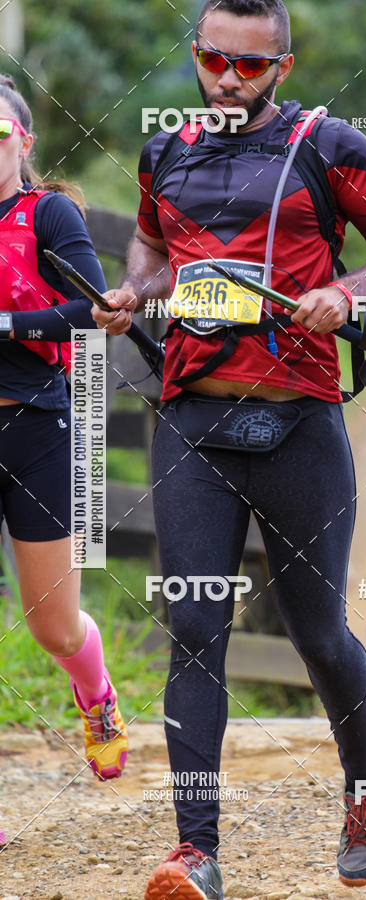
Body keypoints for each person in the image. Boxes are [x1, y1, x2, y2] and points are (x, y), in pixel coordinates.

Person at [93, 1, 366, 895]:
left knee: (315, 633)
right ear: (198, 56)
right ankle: (195, 851)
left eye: (250, 67)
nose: (228, 79)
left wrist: (351, 291)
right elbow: (153, 246)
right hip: (193, 422)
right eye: (214, 60)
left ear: (282, 67)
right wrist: (133, 292)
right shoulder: (166, 149)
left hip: (299, 423)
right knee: (197, 630)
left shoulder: (327, 146)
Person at [0, 76, 128, 802]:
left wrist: (10, 326)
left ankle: (96, 689)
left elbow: (94, 306)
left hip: (38, 426)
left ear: (23, 140)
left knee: (51, 626)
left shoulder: (46, 215)